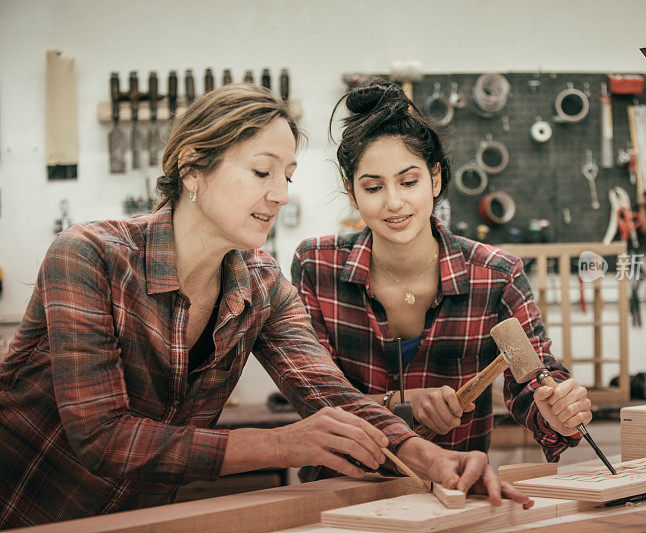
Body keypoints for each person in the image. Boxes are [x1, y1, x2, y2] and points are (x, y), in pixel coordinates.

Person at [0, 84, 531, 528]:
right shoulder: (90, 257)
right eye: (262, 172)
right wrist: (280, 447)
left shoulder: (261, 284)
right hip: (22, 508)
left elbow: (329, 394)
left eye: (289, 176)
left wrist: (430, 457)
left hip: (136, 521)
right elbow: (101, 437)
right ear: (193, 168)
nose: (281, 194)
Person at [291, 81, 592, 480]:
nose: (394, 202)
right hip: (338, 493)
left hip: (452, 493)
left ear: (434, 179)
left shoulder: (496, 276)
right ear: (351, 191)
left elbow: (534, 376)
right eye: (373, 187)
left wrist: (558, 411)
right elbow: (315, 397)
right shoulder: (316, 265)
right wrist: (400, 403)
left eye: (409, 181)